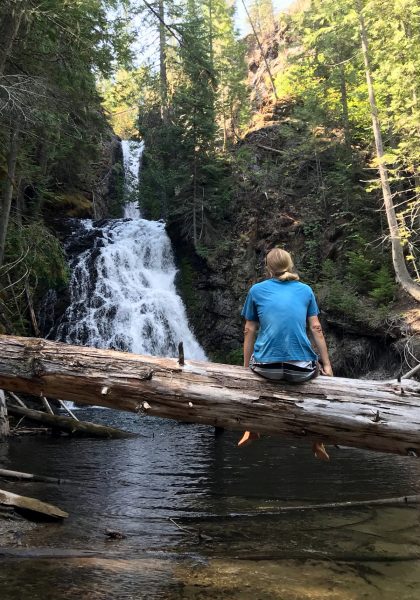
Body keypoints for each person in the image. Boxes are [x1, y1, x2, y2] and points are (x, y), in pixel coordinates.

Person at [238, 248, 333, 460]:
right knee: (318, 390)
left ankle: (251, 428)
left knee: (252, 383)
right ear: (289, 265)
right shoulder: (305, 290)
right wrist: (326, 365)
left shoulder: (256, 290)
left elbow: (249, 330)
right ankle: (317, 440)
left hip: (265, 369)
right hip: (301, 370)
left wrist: (245, 368)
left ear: (267, 268)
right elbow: (316, 328)